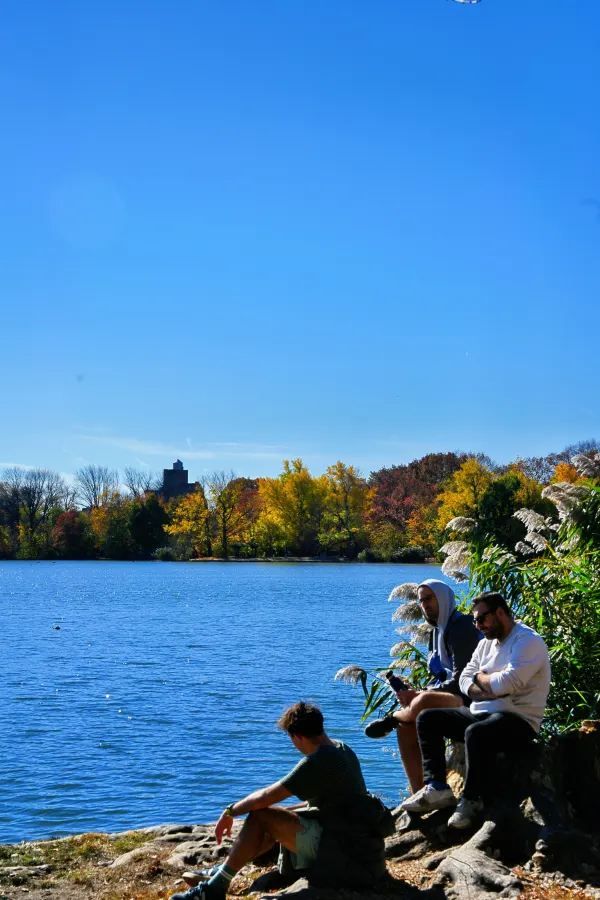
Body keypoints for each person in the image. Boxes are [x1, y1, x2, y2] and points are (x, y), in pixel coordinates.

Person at [170, 701, 380, 900]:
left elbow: (264, 797)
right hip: (355, 842)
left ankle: (214, 888)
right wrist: (280, 812)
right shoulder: (342, 749)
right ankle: (223, 871)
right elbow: (323, 804)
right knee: (274, 815)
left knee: (261, 815)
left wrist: (230, 811)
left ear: (297, 736)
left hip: (339, 848)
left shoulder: (317, 762)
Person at [401, 591, 551, 829]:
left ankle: (472, 800)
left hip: (518, 719)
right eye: (475, 620)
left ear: (500, 613)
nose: (478, 625)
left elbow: (507, 684)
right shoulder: (485, 644)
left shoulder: (527, 641)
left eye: (482, 619)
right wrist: (484, 688)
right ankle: (437, 787)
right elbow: (464, 678)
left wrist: (481, 679)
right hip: (483, 711)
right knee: (428, 719)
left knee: (476, 733)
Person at [365, 579, 481, 793]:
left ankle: (393, 717)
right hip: (447, 698)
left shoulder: (461, 627)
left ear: (444, 599)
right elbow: (437, 677)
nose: (424, 605)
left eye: (429, 599)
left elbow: (461, 680)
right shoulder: (436, 633)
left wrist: (422, 694)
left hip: (470, 699)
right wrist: (412, 691)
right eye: (421, 601)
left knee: (424, 700)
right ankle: (420, 792)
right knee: (406, 728)